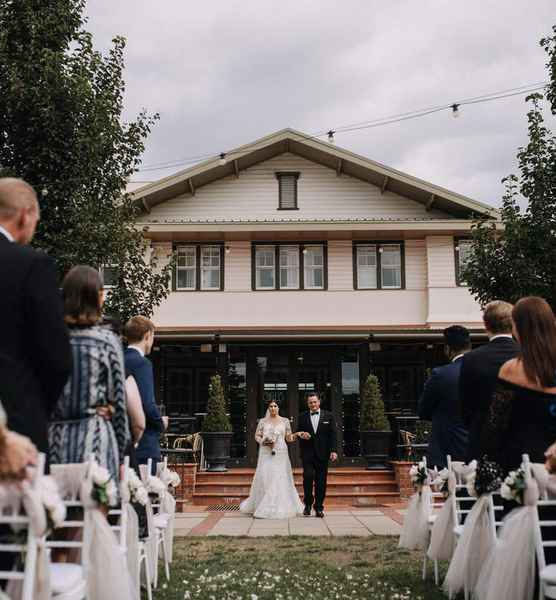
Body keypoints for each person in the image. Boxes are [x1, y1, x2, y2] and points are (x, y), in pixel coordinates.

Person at [0, 178, 71, 455]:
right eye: (36, 222)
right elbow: (57, 357)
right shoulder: (32, 265)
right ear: (24, 215)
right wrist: (34, 407)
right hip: (17, 421)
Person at [48, 266, 130, 483]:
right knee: (95, 510)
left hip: (53, 441)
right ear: (98, 297)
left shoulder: (48, 339)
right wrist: (121, 452)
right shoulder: (106, 341)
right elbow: (119, 402)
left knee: (55, 511)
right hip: (95, 441)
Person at [479, 296, 556, 473]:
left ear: (519, 329)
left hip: (521, 468)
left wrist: (486, 466)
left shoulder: (511, 369)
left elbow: (495, 425)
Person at [459, 300, 518, 461]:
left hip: (481, 441)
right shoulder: (526, 355)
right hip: (519, 441)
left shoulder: (472, 359)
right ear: (513, 324)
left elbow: (465, 405)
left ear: (486, 325)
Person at [240, 401, 304, 519]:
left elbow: (289, 438)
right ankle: (263, 504)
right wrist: (263, 441)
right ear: (268, 408)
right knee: (266, 476)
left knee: (280, 477)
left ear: (278, 408)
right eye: (271, 406)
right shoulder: (263, 422)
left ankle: (280, 506)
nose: (273, 408)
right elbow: (257, 436)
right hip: (266, 452)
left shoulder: (285, 421)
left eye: (275, 406)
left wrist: (297, 434)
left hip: (281, 452)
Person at [418, 325, 470, 469]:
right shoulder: (483, 370)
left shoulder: (440, 375)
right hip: (478, 448)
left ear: (447, 349)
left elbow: (423, 411)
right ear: (469, 346)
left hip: (447, 449)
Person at [123, 316, 167, 474]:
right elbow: (147, 404)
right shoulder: (142, 363)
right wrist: (161, 423)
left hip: (121, 441)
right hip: (144, 444)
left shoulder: (118, 358)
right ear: (148, 335)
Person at [297, 393, 338, 517]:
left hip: (323, 453)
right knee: (308, 477)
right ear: (308, 404)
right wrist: (302, 434)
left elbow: (333, 435)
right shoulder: (302, 416)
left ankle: (319, 507)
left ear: (319, 402)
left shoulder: (329, 416)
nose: (313, 404)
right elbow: (298, 432)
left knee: (321, 481)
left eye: (315, 402)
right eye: (310, 402)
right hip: (307, 453)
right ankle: (308, 504)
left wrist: (334, 450)